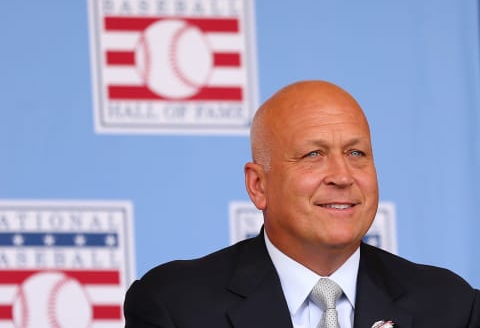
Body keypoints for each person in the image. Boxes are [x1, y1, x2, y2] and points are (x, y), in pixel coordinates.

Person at [124, 80, 480, 327]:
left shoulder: (451, 307)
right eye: (314, 155)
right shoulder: (176, 307)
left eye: (357, 153)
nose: (342, 176)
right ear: (258, 185)